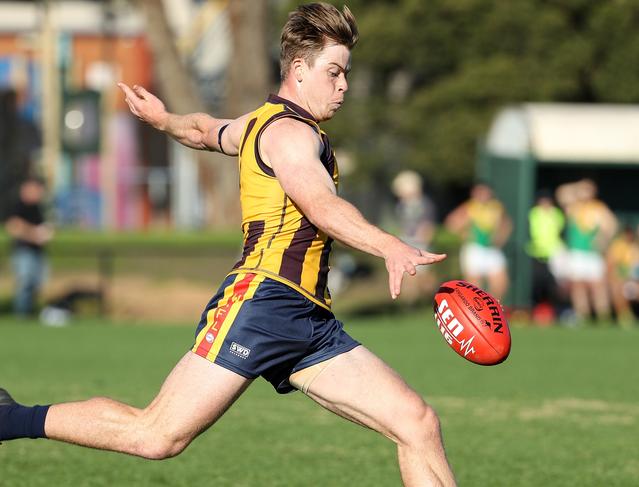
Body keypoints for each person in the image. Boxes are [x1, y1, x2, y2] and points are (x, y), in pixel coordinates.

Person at [0, 4, 456, 486]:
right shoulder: (290, 135)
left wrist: (165, 120)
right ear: (299, 70)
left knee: (417, 423)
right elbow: (322, 206)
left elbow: (204, 130)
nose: (343, 85)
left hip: (308, 319)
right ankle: (10, 419)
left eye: (346, 74)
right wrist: (389, 245)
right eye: (334, 73)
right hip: (262, 303)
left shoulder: (259, 123)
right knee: (158, 435)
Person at [444, 182, 512, 300]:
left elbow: (507, 224)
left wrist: (500, 238)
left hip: (492, 249)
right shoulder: (470, 207)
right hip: (474, 249)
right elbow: (451, 223)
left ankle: (492, 312)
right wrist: (464, 232)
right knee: (474, 288)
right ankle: (476, 315)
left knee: (501, 284)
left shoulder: (496, 207)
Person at [563, 179, 617, 323]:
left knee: (598, 285)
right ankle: (582, 314)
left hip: (592, 253)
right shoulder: (574, 206)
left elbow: (611, 226)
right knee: (577, 285)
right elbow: (562, 193)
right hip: (576, 252)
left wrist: (603, 240)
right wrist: (578, 185)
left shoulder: (598, 208)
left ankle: (603, 314)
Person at [4, 177, 54, 316]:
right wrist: (35, 235)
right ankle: (22, 315)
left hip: (38, 252)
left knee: (37, 284)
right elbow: (13, 227)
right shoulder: (18, 206)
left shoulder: (39, 207)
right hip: (24, 251)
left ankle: (30, 312)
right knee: (25, 283)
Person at [391, 170, 437, 306]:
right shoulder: (401, 205)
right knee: (408, 276)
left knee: (424, 279)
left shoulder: (424, 204)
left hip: (420, 243)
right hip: (407, 242)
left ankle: (435, 300)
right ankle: (409, 306)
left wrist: (426, 238)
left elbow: (428, 225)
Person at [526, 190, 566, 323]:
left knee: (554, 285)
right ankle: (533, 310)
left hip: (553, 255)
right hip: (537, 254)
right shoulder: (534, 213)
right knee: (536, 284)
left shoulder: (557, 214)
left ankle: (556, 311)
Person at [606, 225, 639, 325]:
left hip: (638, 282)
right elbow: (611, 268)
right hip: (623, 282)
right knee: (617, 288)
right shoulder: (617, 248)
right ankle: (625, 317)